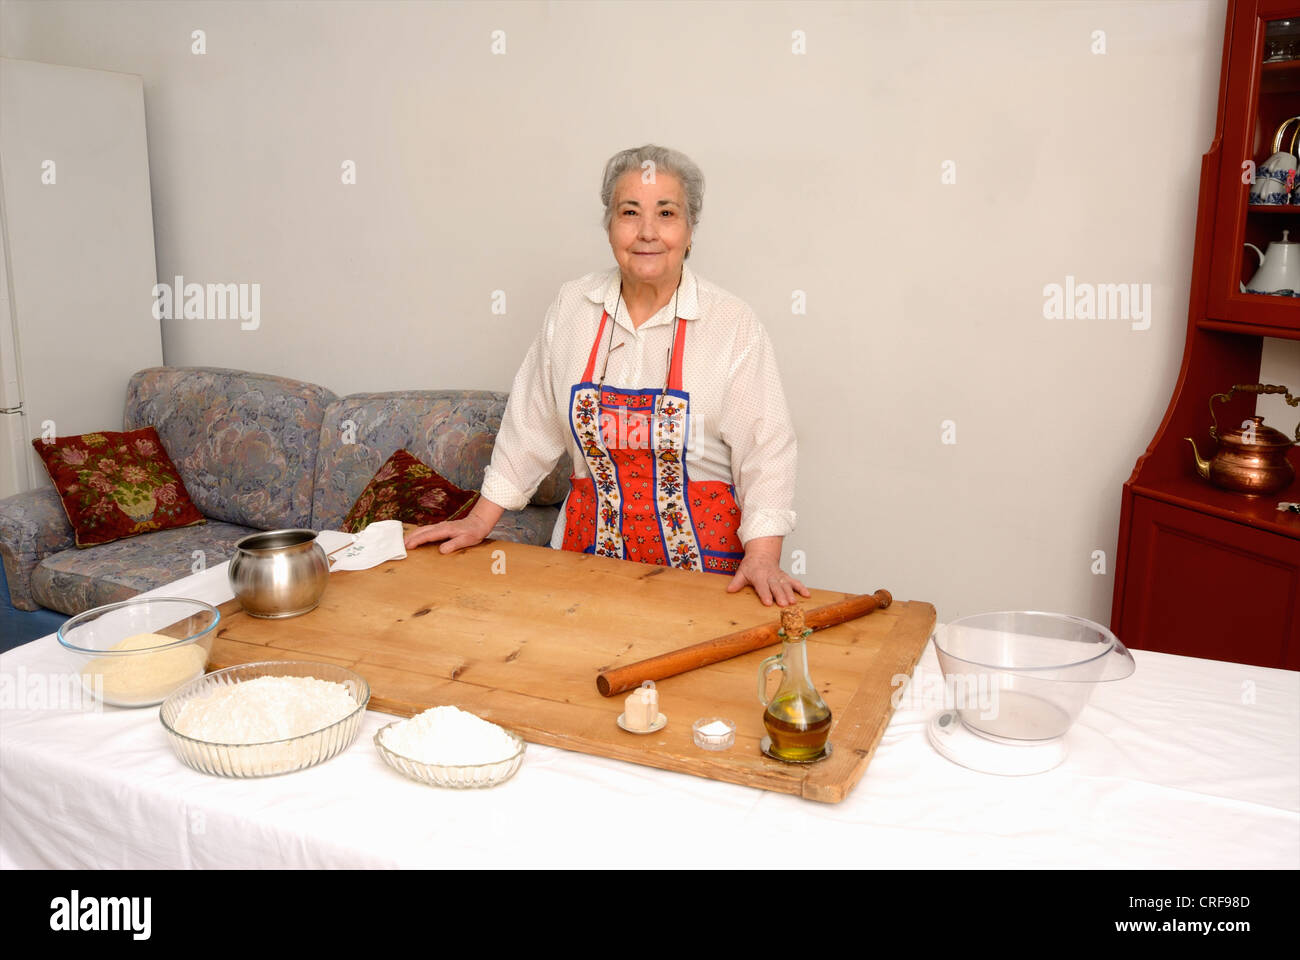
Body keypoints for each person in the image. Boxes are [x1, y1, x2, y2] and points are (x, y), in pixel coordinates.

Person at [405, 144, 809, 607]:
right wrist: (479, 520)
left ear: (690, 229)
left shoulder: (731, 323)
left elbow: (767, 448)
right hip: (586, 559)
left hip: (707, 573)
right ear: (610, 226)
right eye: (630, 212)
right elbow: (530, 425)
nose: (647, 232)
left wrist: (762, 555)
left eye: (667, 213)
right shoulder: (573, 306)